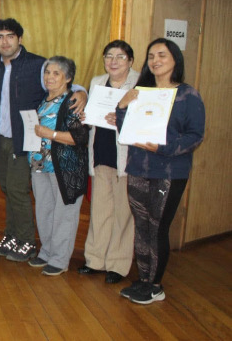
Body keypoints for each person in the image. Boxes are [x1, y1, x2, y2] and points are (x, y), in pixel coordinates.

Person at [0, 18, 87, 262]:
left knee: (19, 190)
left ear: (20, 39)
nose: (5, 41)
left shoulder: (37, 64)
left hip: (27, 141)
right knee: (8, 189)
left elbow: (61, 82)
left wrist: (82, 92)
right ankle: (12, 236)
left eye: (10, 36)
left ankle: (27, 242)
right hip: (0, 139)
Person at [115, 38, 204, 305]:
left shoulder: (188, 95)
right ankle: (144, 279)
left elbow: (195, 136)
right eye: (151, 55)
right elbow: (125, 129)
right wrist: (122, 106)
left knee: (156, 228)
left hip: (169, 170)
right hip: (138, 168)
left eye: (162, 55)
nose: (155, 61)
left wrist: (162, 147)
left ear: (175, 60)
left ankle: (155, 285)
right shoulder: (141, 91)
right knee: (141, 227)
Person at [78, 41, 140, 284]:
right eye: (109, 56)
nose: (114, 61)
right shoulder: (97, 81)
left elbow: (145, 121)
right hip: (101, 152)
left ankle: (117, 265)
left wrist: (123, 118)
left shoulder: (140, 83)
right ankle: (94, 260)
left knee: (123, 214)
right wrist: (87, 117)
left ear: (130, 61)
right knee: (100, 211)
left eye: (120, 57)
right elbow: (93, 116)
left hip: (126, 157)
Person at [26, 57, 89, 276]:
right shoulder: (43, 100)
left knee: (64, 214)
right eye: (47, 72)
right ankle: (46, 252)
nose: (49, 77)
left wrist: (50, 134)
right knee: (44, 211)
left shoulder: (73, 101)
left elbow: (80, 137)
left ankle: (60, 260)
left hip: (65, 167)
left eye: (56, 73)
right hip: (40, 165)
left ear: (68, 78)